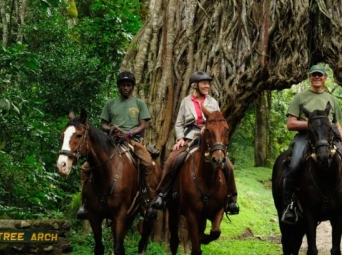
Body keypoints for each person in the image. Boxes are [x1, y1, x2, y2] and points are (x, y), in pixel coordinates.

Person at [280, 65, 342, 225]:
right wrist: (315, 124)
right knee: (295, 165)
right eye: (314, 75)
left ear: (325, 78)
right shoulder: (300, 98)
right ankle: (288, 207)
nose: (317, 77)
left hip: (330, 138)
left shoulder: (332, 99)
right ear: (310, 77)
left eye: (320, 75)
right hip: (306, 137)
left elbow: (337, 124)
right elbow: (290, 123)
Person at [149, 71, 239, 215]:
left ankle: (231, 199)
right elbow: (179, 124)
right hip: (190, 137)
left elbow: (217, 122)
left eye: (208, 83)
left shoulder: (213, 102)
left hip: (209, 139)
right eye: (204, 83)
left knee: (228, 165)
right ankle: (162, 195)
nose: (207, 86)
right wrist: (181, 139)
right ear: (196, 85)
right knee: (173, 160)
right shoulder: (186, 101)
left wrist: (207, 128)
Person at [77, 71, 157, 219]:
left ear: (132, 87)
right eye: (123, 85)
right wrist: (112, 129)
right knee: (86, 168)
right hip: (111, 141)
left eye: (128, 85)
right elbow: (104, 125)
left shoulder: (139, 103)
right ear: (119, 87)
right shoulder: (110, 104)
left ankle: (149, 203)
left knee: (148, 164)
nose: (125, 87)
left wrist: (129, 134)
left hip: (133, 141)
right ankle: (85, 204)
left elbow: (142, 125)